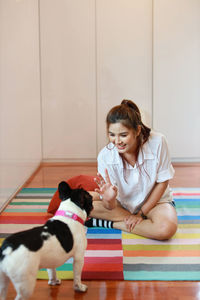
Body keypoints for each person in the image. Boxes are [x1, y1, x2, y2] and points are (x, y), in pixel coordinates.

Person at [86, 99, 177, 241]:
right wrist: (108, 200)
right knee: (80, 204)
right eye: (112, 135)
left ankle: (112, 224)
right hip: (122, 205)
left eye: (123, 135)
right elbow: (109, 205)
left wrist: (140, 214)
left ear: (137, 130)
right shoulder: (105, 156)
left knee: (166, 229)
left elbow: (163, 182)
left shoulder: (158, 142)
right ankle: (140, 224)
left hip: (155, 202)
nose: (117, 141)